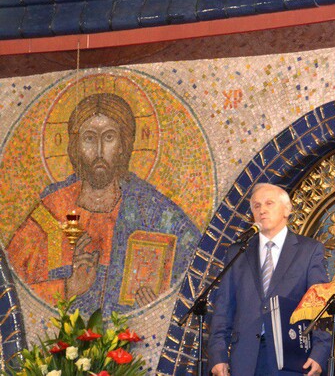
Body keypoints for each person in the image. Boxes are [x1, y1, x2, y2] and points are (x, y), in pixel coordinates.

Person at [6, 93, 199, 314]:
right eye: (89, 138)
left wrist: (161, 306)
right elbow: (11, 291)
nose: (99, 151)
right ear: (76, 146)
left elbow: (196, 277)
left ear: (122, 144)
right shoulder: (52, 212)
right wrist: (68, 287)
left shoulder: (154, 212)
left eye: (108, 137)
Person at [208, 183, 331, 376]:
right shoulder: (238, 252)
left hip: (292, 357)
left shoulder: (309, 251)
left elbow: (320, 306)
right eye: (256, 206)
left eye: (269, 203)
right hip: (245, 358)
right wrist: (218, 355)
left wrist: (319, 353)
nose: (262, 210)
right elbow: (223, 308)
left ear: (287, 210)